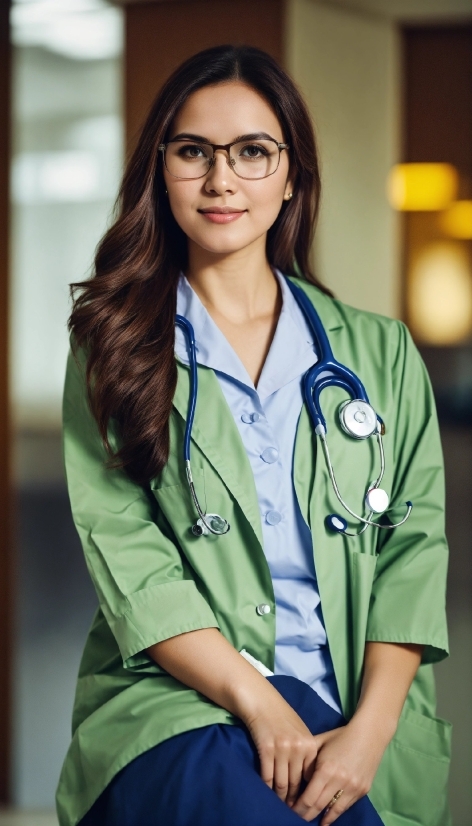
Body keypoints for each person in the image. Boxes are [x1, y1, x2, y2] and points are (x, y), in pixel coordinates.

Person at [56, 45, 451, 826]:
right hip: (185, 702)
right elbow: (131, 559)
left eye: (253, 152)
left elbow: (414, 550)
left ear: (292, 174)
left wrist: (369, 734)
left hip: (351, 705)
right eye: (193, 151)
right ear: (159, 167)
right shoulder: (111, 346)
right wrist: (262, 705)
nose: (221, 180)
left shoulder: (380, 352)